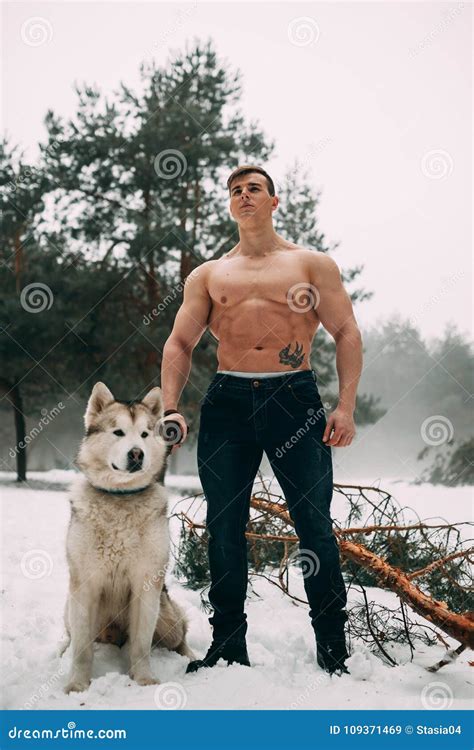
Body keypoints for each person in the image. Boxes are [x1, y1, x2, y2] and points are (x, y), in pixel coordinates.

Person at [160, 164, 363, 675]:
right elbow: (180, 343)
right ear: (229, 205)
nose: (244, 196)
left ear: (274, 202)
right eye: (235, 191)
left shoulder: (311, 265)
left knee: (314, 524)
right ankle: (228, 644)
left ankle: (333, 648)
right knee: (224, 525)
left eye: (254, 189)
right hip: (228, 400)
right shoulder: (208, 275)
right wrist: (170, 406)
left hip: (293, 397)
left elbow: (347, 332)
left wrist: (346, 406)